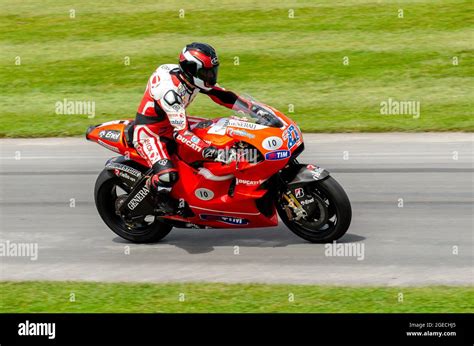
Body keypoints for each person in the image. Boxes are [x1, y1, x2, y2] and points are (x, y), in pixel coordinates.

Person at [133, 42, 250, 212]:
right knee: (168, 176)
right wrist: (209, 150)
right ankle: (160, 201)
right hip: (151, 133)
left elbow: (222, 95)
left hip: (174, 122)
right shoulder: (170, 93)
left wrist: (253, 109)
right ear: (191, 71)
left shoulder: (190, 79)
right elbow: (181, 134)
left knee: (223, 130)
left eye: (212, 71)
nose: (211, 76)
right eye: (206, 72)